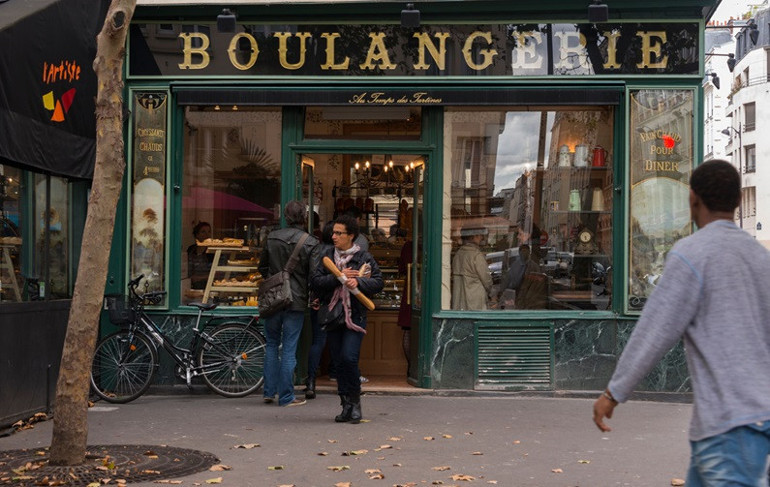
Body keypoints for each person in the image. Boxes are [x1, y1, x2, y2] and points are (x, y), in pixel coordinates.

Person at [592, 159, 770, 486]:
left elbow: (654, 331)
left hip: (727, 428)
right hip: (752, 422)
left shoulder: (691, 254)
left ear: (693, 199)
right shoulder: (760, 258)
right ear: (737, 201)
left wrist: (613, 393)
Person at [311, 214, 383, 423]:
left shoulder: (364, 258)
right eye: (333, 232)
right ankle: (345, 404)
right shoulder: (326, 256)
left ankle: (355, 401)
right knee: (339, 361)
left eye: (338, 233)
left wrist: (358, 283)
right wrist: (339, 277)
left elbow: (378, 283)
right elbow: (315, 282)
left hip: (355, 315)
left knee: (349, 357)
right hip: (333, 315)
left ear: (350, 236)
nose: (333, 236)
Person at [258, 201, 320, 407]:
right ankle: (286, 396)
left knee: (272, 345)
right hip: (296, 300)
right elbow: (314, 276)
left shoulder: (272, 237)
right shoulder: (310, 242)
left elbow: (262, 267)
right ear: (305, 216)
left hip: (273, 298)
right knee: (289, 348)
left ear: (285, 215)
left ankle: (269, 392)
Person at [305, 220, 335, 400]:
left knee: (318, 340)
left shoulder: (316, 250)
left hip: (317, 300)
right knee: (339, 340)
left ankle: (310, 380)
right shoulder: (337, 253)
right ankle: (342, 377)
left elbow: (312, 276)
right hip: (334, 301)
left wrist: (314, 296)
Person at [451, 226, 493, 310]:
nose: (482, 237)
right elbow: (487, 280)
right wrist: (491, 293)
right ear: (474, 236)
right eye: (480, 235)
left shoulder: (458, 254)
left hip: (459, 302)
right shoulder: (476, 255)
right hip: (474, 303)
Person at [187, 221, 212, 289]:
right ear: (197, 235)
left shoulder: (212, 251)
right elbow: (186, 268)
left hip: (208, 286)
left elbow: (218, 273)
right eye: (203, 232)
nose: (207, 235)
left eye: (209, 231)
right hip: (191, 286)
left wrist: (199, 278)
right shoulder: (191, 249)